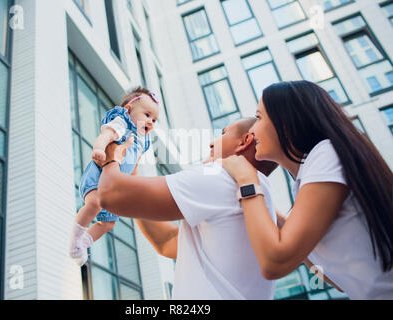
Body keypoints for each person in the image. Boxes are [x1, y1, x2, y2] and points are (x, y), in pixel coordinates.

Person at [220, 80, 393, 299]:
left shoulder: (326, 154)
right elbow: (335, 280)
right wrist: (274, 217)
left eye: (259, 118)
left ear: (286, 122)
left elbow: (274, 262)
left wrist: (246, 179)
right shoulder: (308, 176)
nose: (252, 131)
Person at [96, 118, 282, 299]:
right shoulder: (255, 194)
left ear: (245, 141)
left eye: (224, 133)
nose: (211, 143)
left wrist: (111, 156)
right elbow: (167, 242)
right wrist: (134, 180)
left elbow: (110, 193)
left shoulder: (222, 177)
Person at [69, 86, 159, 266]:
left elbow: (134, 167)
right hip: (98, 175)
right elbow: (105, 135)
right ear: (129, 110)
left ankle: (84, 243)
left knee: (108, 223)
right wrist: (99, 149)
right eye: (147, 115)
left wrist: (133, 185)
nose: (150, 121)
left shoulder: (142, 141)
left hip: (113, 187)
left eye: (154, 120)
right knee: (94, 203)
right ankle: (74, 239)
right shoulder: (122, 123)